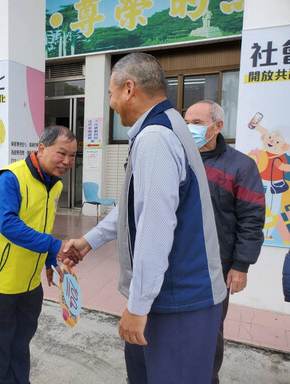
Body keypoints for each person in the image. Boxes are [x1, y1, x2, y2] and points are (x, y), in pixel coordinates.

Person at [61, 53, 227, 384]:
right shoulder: (169, 126)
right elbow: (137, 205)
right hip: (175, 297)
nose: (111, 103)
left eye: (110, 94)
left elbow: (155, 227)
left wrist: (137, 307)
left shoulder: (154, 138)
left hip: (178, 301)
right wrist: (89, 240)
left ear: (128, 88)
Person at [0, 125, 78, 384]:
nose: (67, 162)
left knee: (21, 342)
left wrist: (47, 260)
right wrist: (55, 246)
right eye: (61, 153)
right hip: (1, 281)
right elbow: (9, 225)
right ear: (42, 148)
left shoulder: (54, 184)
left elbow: (40, 224)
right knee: (0, 346)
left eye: (73, 156)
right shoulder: (10, 177)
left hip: (30, 282)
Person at [185, 100, 265, 384]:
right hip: (179, 262)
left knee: (210, 330)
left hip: (216, 266)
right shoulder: (179, 159)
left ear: (217, 126)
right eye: (186, 123)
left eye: (196, 123)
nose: (189, 129)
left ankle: (207, 378)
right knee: (177, 327)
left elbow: (252, 219)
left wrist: (241, 265)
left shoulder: (241, 166)